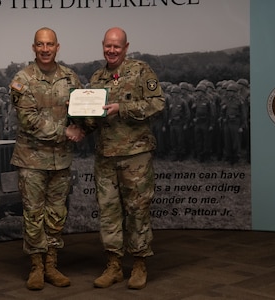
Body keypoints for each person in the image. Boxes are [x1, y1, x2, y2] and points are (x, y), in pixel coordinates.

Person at [85, 27, 165, 290]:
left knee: (137, 210)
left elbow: (157, 103)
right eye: (108, 46)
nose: (111, 50)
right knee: (108, 212)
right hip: (106, 156)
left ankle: (140, 263)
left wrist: (123, 109)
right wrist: (78, 120)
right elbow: (93, 116)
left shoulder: (141, 71)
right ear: (102, 45)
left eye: (117, 46)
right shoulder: (96, 77)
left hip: (135, 156)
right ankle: (114, 265)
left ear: (126, 47)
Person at [9, 27, 84, 291]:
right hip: (32, 160)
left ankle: (52, 264)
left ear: (57, 47)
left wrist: (84, 125)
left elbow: (80, 110)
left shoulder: (70, 77)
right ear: (33, 48)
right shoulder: (22, 79)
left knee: (56, 214)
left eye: (49, 44)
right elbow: (29, 120)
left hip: (60, 160)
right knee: (33, 214)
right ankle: (36, 266)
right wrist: (65, 131)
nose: (45, 49)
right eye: (40, 44)